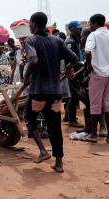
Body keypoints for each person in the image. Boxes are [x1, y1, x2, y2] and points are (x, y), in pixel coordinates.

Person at [24, 12, 78, 172]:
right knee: (55, 126)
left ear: (33, 23)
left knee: (29, 121)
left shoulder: (31, 40)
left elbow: (33, 60)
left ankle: (42, 150)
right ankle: (59, 163)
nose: (29, 26)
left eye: (30, 24)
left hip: (38, 93)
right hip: (55, 93)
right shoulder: (57, 40)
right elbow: (74, 59)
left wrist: (26, 76)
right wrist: (68, 68)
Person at [84, 14, 109, 143]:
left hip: (98, 73)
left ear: (94, 24)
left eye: (90, 24)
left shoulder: (93, 35)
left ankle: (93, 135)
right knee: (107, 104)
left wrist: (89, 66)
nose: (89, 26)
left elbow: (87, 51)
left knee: (95, 105)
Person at [65, 21, 91, 132]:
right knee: (80, 96)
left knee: (75, 97)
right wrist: (73, 71)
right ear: (72, 29)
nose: (80, 30)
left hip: (79, 72)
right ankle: (71, 119)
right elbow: (70, 59)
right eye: (78, 28)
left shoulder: (76, 40)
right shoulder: (70, 42)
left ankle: (69, 117)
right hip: (73, 73)